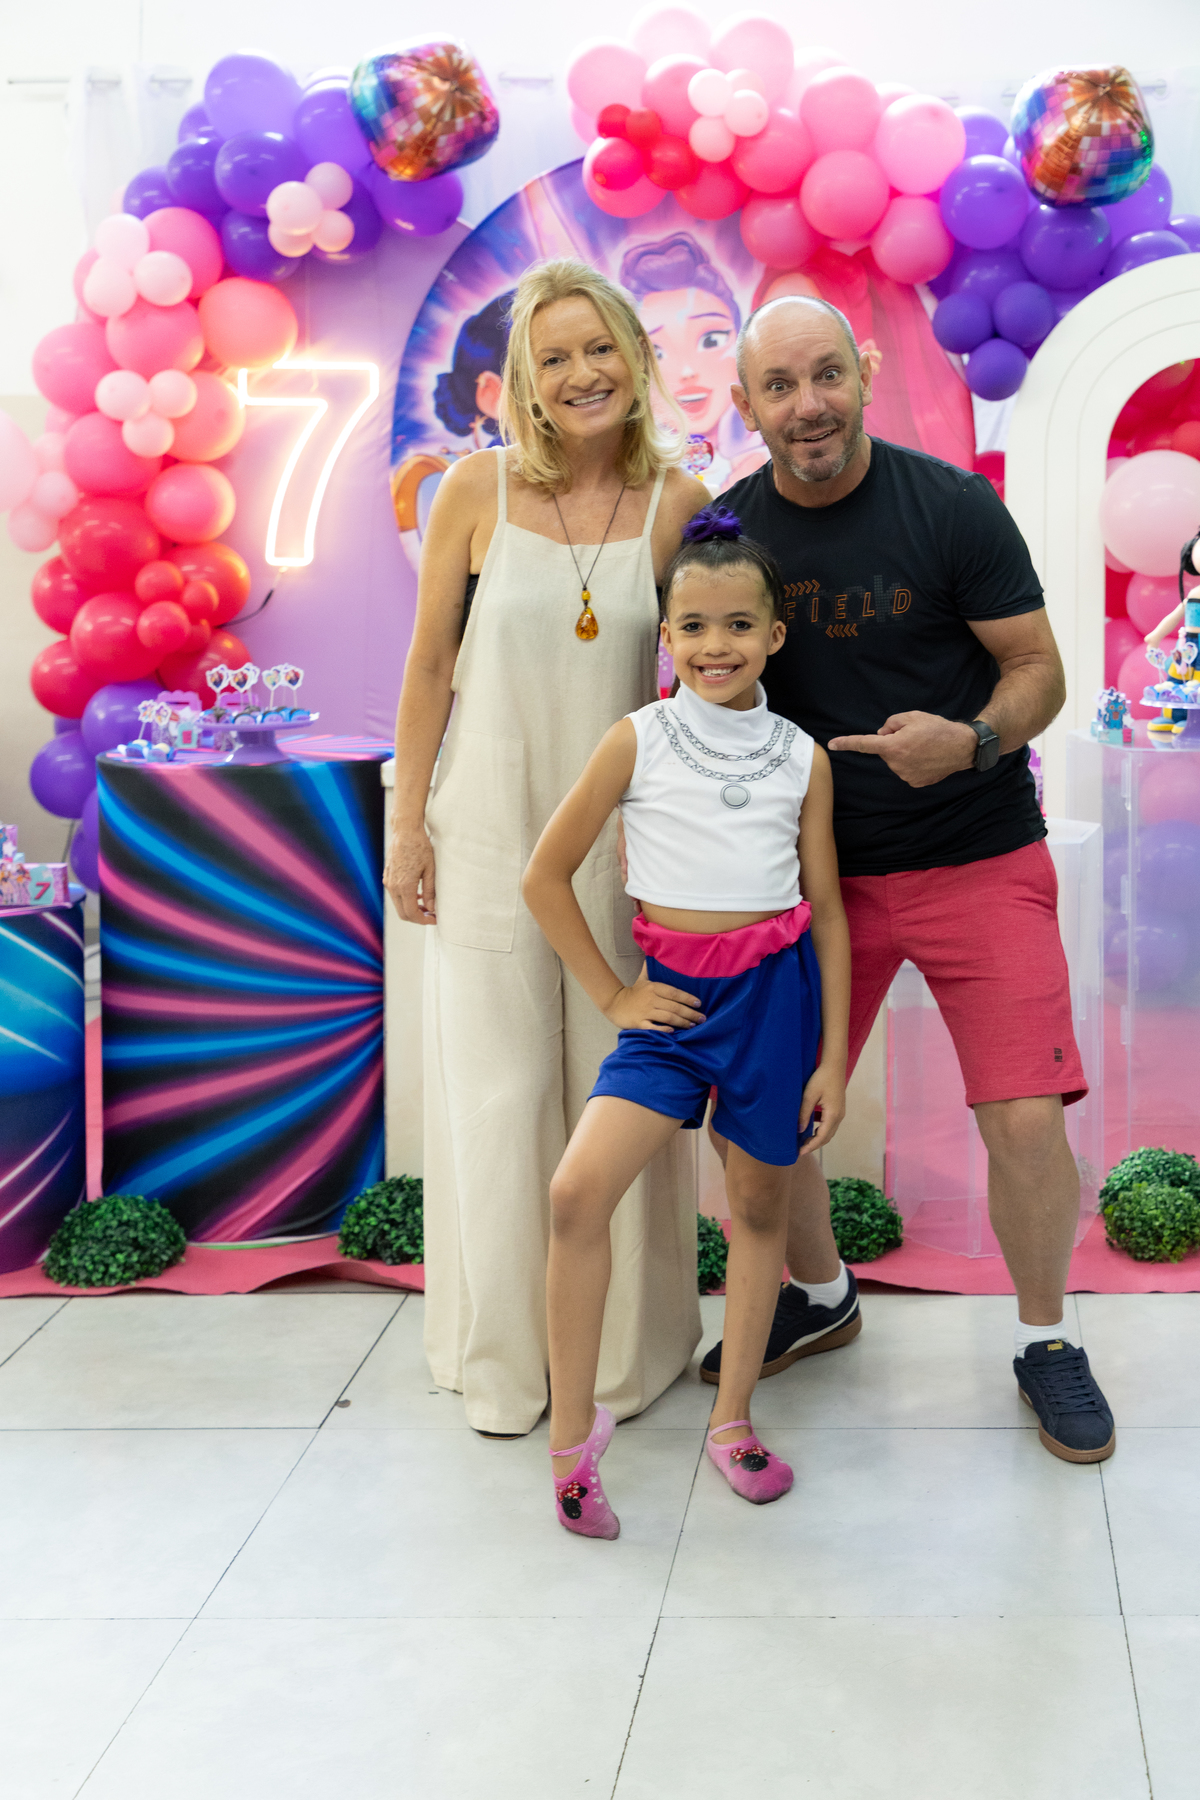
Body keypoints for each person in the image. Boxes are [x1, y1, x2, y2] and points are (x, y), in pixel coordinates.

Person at [702, 291, 1116, 1466]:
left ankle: (1045, 1338)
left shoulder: (952, 506)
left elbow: (1039, 670)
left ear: (867, 372)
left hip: (979, 849)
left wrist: (972, 740)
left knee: (1023, 1113)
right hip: (814, 879)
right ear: (745, 404)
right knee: (764, 1114)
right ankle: (822, 1294)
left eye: (827, 375)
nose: (808, 405)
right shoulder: (729, 535)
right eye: (780, 386)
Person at [384, 258, 711, 1438]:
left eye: (599, 348)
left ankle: (625, 1354)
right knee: (501, 1091)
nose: (581, 374)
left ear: (636, 357)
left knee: (617, 1088)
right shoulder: (473, 491)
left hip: (621, 846)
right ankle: (505, 1362)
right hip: (483, 829)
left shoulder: (677, 502)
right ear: (523, 380)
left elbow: (710, 670)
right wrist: (406, 826)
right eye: (554, 356)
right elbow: (430, 665)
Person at [522, 507, 851, 1536]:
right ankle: (571, 1445)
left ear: (774, 635)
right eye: (695, 626)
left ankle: (733, 1419)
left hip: (774, 1003)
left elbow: (828, 910)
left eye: (739, 625)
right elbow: (543, 878)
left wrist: (833, 1057)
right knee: (577, 1192)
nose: (717, 645)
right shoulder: (639, 739)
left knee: (757, 1207)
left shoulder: (801, 757)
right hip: (670, 1005)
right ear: (666, 636)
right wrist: (615, 997)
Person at [620, 233, 764, 491]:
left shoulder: (769, 456)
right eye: (656, 352)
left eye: (711, 340)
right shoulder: (629, 476)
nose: (687, 371)